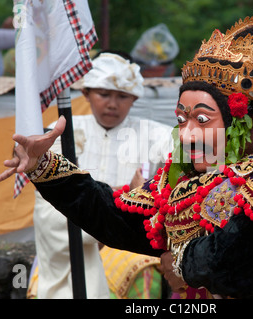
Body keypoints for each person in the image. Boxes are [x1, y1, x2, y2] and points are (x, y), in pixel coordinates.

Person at [0, 15, 253, 299]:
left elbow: (242, 257)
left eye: (202, 119)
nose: (186, 134)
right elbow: (118, 217)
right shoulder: (185, 178)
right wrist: (46, 169)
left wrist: (180, 262)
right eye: (181, 119)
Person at [29, 51, 172, 299]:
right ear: (86, 94)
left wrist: (145, 193)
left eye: (122, 96)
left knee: (143, 276)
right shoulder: (59, 134)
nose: (112, 104)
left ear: (134, 98)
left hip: (131, 248)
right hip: (66, 253)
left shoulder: (157, 136)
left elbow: (190, 160)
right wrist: (119, 203)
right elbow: (48, 202)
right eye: (104, 94)